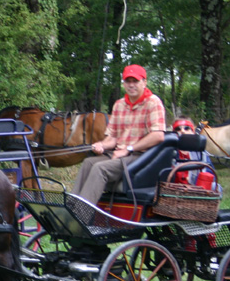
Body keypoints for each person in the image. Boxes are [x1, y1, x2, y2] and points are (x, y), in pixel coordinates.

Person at [71, 64, 166, 205]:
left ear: (144, 82)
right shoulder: (119, 104)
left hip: (141, 157)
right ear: (124, 83)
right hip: (119, 154)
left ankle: (81, 216)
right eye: (128, 81)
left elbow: (158, 135)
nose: (131, 85)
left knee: (100, 168)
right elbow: (113, 138)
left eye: (136, 81)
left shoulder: (153, 102)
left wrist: (128, 149)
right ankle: (70, 208)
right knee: (88, 162)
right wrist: (101, 145)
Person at [172, 116, 222, 194]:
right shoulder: (170, 152)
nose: (182, 131)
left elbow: (211, 174)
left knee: (216, 186)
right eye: (178, 129)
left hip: (196, 189)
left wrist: (195, 179)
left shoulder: (200, 153)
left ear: (193, 132)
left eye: (186, 128)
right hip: (174, 190)